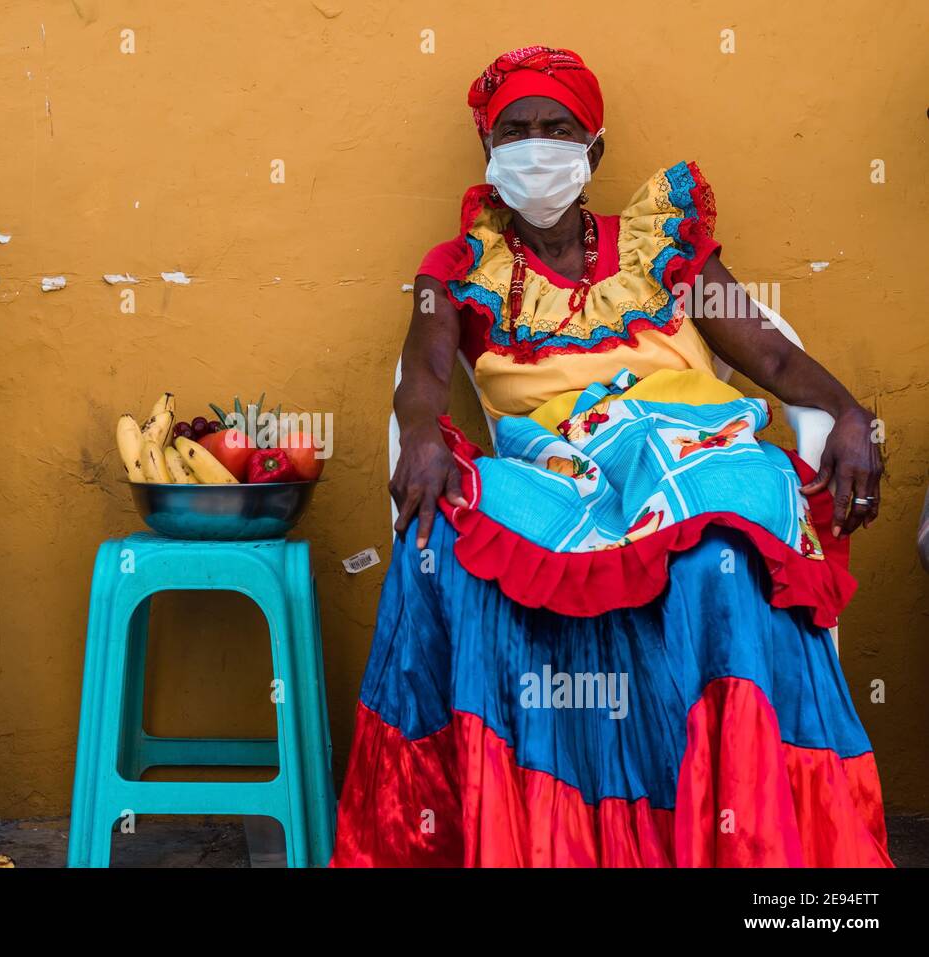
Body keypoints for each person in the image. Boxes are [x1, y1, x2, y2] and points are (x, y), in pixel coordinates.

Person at [332, 46, 890, 866]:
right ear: (489, 152)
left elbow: (768, 355)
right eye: (515, 131)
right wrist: (420, 429)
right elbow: (423, 367)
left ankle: (738, 835)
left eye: (557, 129)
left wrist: (847, 413)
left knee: (723, 556)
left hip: (693, 444)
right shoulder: (456, 268)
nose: (536, 147)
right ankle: (552, 831)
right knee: (442, 547)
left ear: (592, 152)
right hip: (562, 468)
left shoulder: (663, 249)